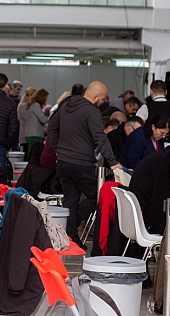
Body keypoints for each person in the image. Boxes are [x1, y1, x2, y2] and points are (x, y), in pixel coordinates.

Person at [47, 81, 122, 250]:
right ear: (94, 97)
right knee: (97, 195)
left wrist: (58, 149)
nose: (103, 102)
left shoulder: (66, 105)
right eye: (102, 99)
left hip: (64, 163)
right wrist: (113, 162)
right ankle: (73, 225)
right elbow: (100, 138)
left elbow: (52, 127)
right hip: (82, 164)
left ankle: (70, 237)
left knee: (71, 199)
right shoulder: (92, 112)